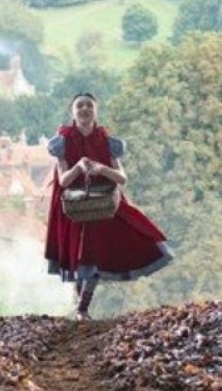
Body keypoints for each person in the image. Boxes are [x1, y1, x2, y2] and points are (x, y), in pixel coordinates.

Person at [44, 92, 173, 320]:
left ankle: (82, 308)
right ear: (72, 112)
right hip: (74, 207)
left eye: (89, 105)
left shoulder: (107, 141)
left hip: (102, 206)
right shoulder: (62, 142)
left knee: (95, 258)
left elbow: (122, 178)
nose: (85, 109)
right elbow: (63, 180)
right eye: (80, 105)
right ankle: (80, 307)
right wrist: (79, 167)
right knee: (78, 259)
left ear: (96, 110)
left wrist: (101, 169)